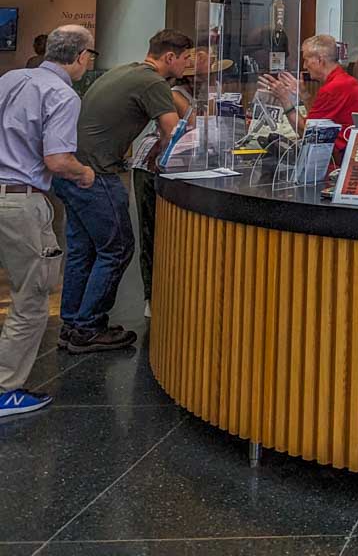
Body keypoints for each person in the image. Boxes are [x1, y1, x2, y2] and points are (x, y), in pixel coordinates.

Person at [55, 29, 192, 354]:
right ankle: (89, 328)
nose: (189, 63)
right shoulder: (154, 82)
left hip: (72, 169)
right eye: (185, 58)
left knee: (82, 250)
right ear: (169, 57)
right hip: (97, 174)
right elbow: (175, 133)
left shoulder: (126, 71)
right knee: (116, 249)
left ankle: (73, 324)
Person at [0, 26, 96, 417]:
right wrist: (84, 174)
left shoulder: (11, 78)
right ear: (79, 57)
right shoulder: (62, 94)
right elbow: (57, 160)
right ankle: (5, 389)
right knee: (32, 298)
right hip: (22, 202)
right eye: (90, 55)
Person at [130, 47, 226, 318]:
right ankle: (151, 296)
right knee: (150, 231)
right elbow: (195, 124)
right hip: (152, 163)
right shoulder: (174, 94)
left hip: (179, 163)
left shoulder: (203, 93)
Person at [259, 33, 358, 165]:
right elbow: (319, 121)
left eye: (306, 60)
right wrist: (304, 95)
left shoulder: (334, 87)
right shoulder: (343, 81)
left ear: (320, 60)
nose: (304, 66)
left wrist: (284, 99)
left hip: (342, 160)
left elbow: (308, 133)